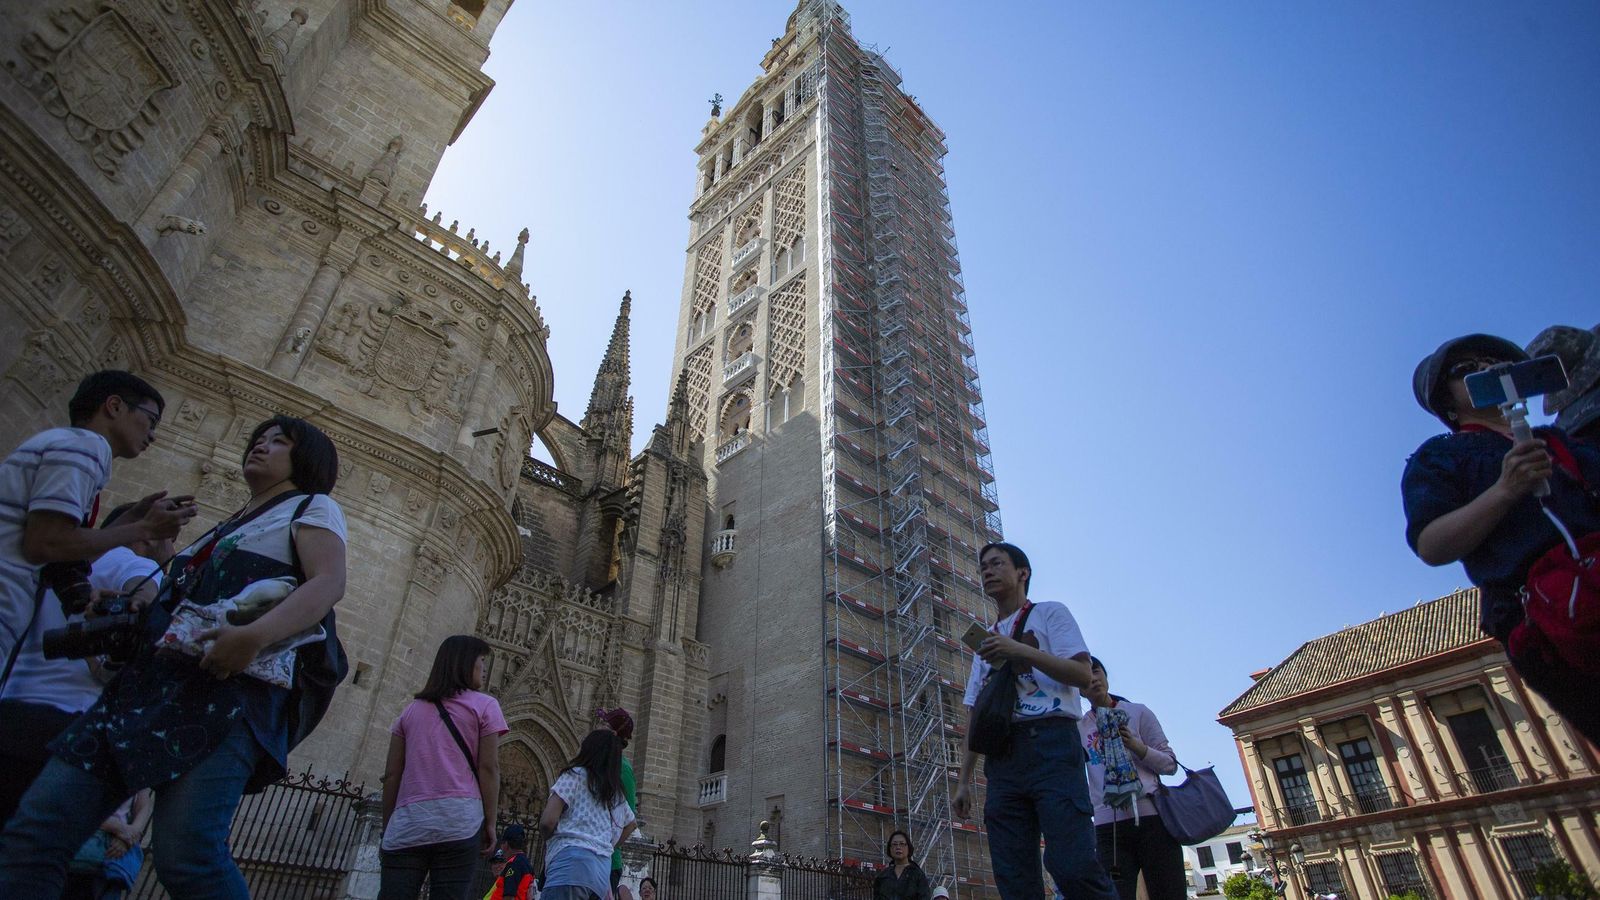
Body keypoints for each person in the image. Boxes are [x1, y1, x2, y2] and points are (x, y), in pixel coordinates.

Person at [0, 415, 349, 898]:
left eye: (279, 443)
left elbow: (328, 582)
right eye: (258, 439)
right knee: (35, 831)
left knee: (187, 857)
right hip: (144, 693)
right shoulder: (223, 530)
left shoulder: (314, 508)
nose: (261, 446)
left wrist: (253, 636)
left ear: (306, 459)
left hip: (226, 696)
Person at [1404, 334, 1600, 745]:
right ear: (1448, 403)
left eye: (1494, 361)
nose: (1488, 368)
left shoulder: (1558, 442)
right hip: (1542, 620)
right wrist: (1505, 490)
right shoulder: (1440, 457)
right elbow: (1432, 544)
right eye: (1467, 369)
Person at [0, 370, 195, 686]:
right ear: (115, 406)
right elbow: (45, 544)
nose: (153, 434)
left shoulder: (74, 446)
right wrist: (143, 528)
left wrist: (129, 520)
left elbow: (54, 554)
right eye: (151, 420)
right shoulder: (86, 447)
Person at [952, 542, 1116, 900]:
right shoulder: (986, 642)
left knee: (1073, 865)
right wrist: (963, 780)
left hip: (1052, 747)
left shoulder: (1050, 614)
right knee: (1013, 873)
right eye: (983, 568)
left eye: (997, 563)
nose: (988, 572)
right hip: (1003, 759)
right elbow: (974, 715)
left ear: (1023, 572)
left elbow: (1081, 673)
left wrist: (1019, 650)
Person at [0, 500, 171, 825]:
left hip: (12, 705)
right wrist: (142, 606)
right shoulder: (128, 559)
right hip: (67, 721)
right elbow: (143, 589)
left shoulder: (60, 568)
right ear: (147, 538)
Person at [379, 634, 507, 899]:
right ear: (463, 663)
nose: (484, 668)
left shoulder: (409, 712)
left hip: (408, 824)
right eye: (480, 661)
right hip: (458, 822)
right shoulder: (485, 705)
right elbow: (488, 768)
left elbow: (392, 775)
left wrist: (389, 824)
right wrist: (490, 822)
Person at [1077, 657, 1183, 900]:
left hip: (1153, 820)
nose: (1093, 679)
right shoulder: (1080, 729)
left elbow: (1170, 765)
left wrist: (1137, 746)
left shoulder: (1138, 713)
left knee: (1169, 893)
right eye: (1084, 676)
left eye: (1096, 671)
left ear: (1105, 675)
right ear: (1078, 690)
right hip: (1108, 827)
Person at [539, 729, 637, 900]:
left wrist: (548, 838)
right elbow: (631, 824)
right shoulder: (615, 791)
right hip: (600, 872)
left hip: (570, 866)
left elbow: (548, 821)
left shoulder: (574, 775)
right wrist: (607, 846)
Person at [64, 788, 153, 899]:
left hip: (115, 853)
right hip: (82, 845)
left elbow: (143, 804)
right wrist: (120, 829)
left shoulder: (137, 773)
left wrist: (129, 836)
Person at [596, 706, 639, 896]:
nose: (597, 725)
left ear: (613, 733)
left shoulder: (622, 768)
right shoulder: (594, 761)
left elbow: (629, 820)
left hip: (606, 862)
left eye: (603, 723)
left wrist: (607, 847)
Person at [873, 830, 932, 900]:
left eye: (902, 844)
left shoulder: (917, 874)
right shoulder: (882, 876)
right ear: (890, 848)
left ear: (908, 847)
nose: (898, 847)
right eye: (894, 844)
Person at [486, 823, 537, 900]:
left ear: (506, 844)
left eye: (502, 844)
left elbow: (509, 896)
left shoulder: (514, 864)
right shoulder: (526, 864)